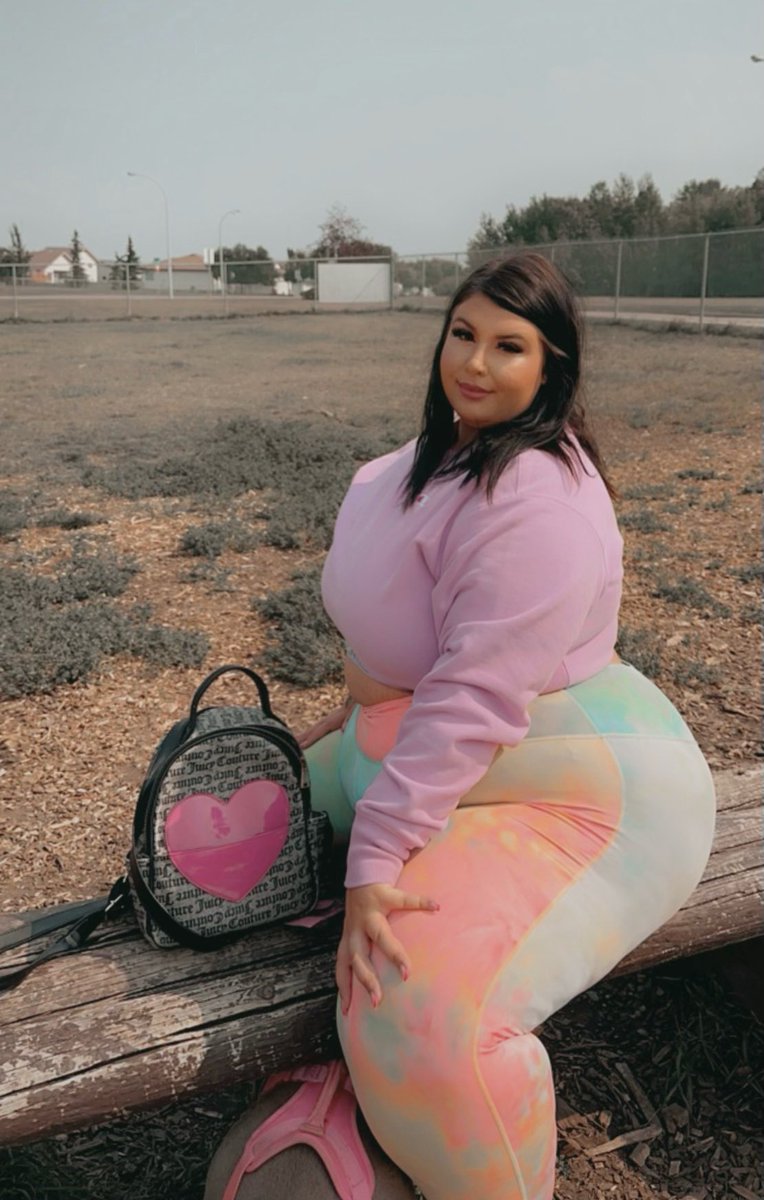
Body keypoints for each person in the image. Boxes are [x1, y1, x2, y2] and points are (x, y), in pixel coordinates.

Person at [208, 252, 716, 1200]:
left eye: (509, 346)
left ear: (552, 365)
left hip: (576, 787)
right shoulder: (421, 462)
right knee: (224, 835)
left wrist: (374, 860)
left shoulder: (537, 501)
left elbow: (471, 701)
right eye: (464, 334)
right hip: (426, 745)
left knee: (409, 1008)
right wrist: (344, 720)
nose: (476, 363)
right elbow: (403, 648)